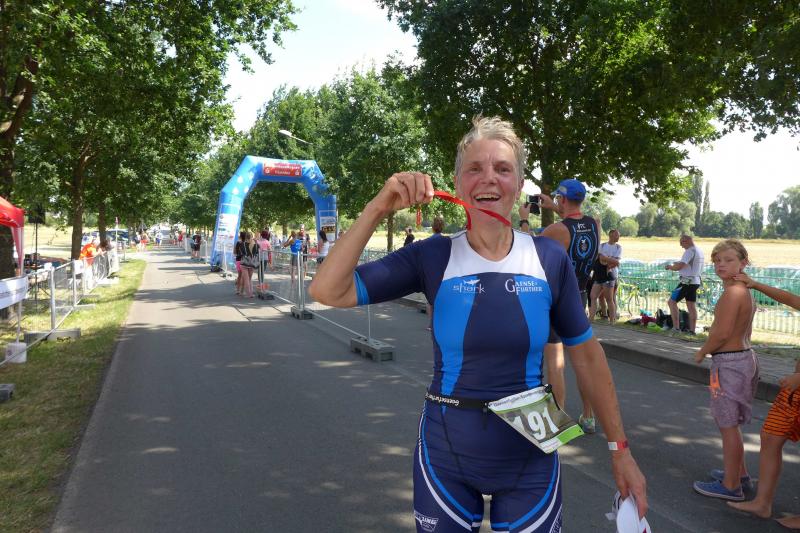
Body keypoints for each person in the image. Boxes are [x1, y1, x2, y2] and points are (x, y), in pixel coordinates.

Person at [309, 116, 647, 532]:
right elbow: (327, 290)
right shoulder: (433, 255)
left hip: (530, 456)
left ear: (518, 185)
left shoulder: (548, 259)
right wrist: (378, 207)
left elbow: (588, 357)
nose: (489, 178)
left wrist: (620, 451)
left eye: (503, 169)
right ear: (456, 182)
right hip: (446, 452)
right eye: (474, 168)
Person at [727, 272, 800, 527]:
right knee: (770, 437)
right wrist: (756, 284)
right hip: (794, 391)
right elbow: (792, 299)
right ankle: (762, 503)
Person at [692, 239, 758, 502]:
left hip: (729, 363)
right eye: (717, 260)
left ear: (743, 263)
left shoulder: (733, 293)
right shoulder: (743, 290)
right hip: (742, 359)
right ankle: (739, 474)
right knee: (732, 424)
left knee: (728, 425)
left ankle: (731, 486)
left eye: (728, 260)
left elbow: (721, 333)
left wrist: (702, 351)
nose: (721, 264)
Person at [536, 179, 600, 432]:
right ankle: (588, 416)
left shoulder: (555, 230)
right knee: (582, 361)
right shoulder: (594, 224)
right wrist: (554, 207)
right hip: (580, 295)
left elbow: (530, 249)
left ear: (562, 199)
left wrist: (525, 220)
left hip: (557, 299)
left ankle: (557, 418)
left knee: (555, 361)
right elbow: (575, 223)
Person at [665, 234, 705, 335]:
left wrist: (670, 267)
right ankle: (692, 331)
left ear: (687, 241)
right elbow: (689, 264)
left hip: (686, 282)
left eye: (681, 243)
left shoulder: (689, 251)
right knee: (691, 305)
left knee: (671, 302)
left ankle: (676, 328)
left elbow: (680, 266)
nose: (681, 246)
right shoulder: (699, 251)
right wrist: (678, 263)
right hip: (695, 281)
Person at [589, 229, 622, 323]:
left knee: (610, 299)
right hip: (599, 275)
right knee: (593, 296)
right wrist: (609, 260)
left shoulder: (618, 247)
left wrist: (606, 260)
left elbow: (616, 262)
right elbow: (600, 258)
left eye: (619, 235)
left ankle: (612, 321)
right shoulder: (602, 246)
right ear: (611, 235)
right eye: (617, 235)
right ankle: (591, 319)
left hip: (610, 276)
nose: (618, 237)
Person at [239, 232, 259, 298]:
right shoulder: (256, 245)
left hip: (244, 263)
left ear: (245, 237)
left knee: (246, 279)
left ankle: (249, 294)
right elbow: (257, 252)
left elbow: (240, 253)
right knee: (249, 279)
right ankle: (247, 292)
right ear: (252, 237)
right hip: (252, 263)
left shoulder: (242, 244)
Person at [234, 231, 246, 295]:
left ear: (240, 236)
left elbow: (235, 252)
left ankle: (237, 290)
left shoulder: (238, 243)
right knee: (244, 276)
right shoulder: (246, 243)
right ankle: (242, 291)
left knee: (239, 276)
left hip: (238, 260)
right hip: (244, 261)